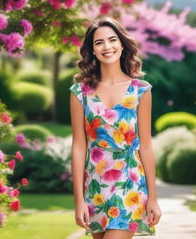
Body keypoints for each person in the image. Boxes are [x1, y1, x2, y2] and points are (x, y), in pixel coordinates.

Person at [69, 16, 162, 239]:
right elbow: (79, 147)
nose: (107, 47)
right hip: (95, 188)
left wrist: (153, 198)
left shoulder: (141, 90)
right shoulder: (79, 92)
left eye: (112, 40)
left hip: (130, 183)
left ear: (122, 44)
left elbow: (146, 146)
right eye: (99, 42)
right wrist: (79, 200)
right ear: (92, 50)